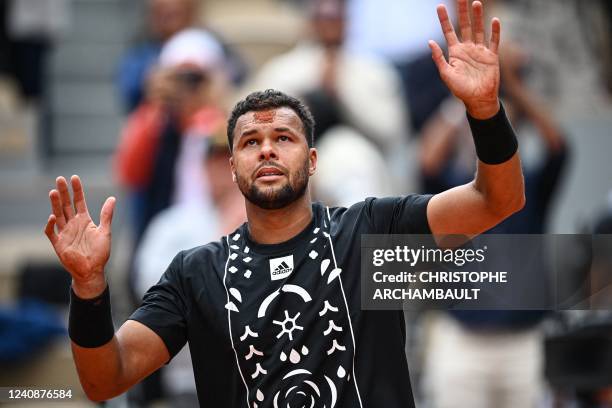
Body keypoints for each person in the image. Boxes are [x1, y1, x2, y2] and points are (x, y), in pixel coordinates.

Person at [44, 1, 525, 406]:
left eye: (283, 137)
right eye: (250, 141)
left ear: (312, 159)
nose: (268, 148)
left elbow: (497, 200)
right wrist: (88, 287)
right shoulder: (196, 273)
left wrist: (485, 112)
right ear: (232, 167)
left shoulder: (371, 230)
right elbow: (104, 378)